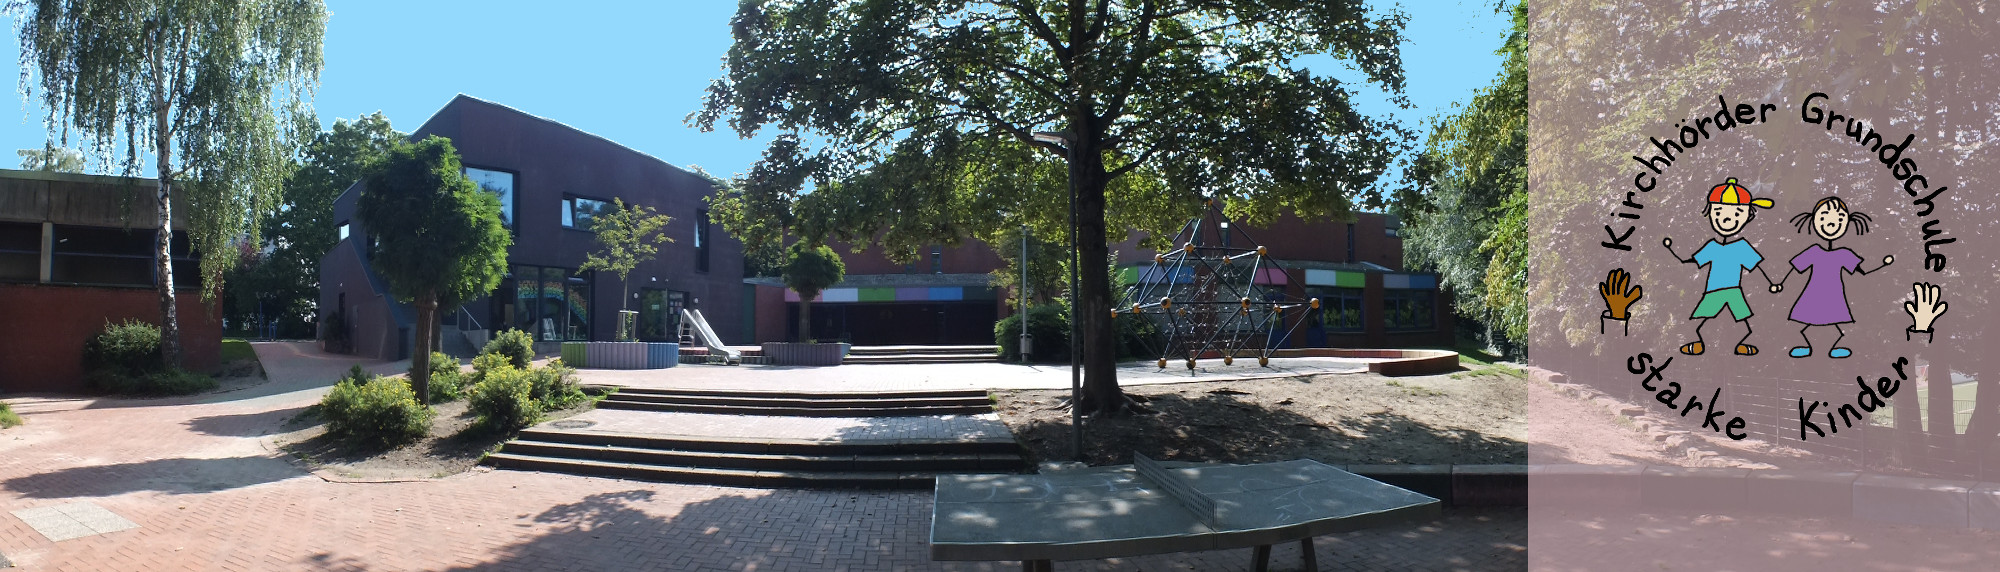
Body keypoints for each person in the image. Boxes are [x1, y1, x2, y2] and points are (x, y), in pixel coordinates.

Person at [1662, 178, 1781, 356]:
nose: (1727, 218)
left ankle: (1739, 345)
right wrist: (1673, 251)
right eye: (1718, 212)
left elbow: (1757, 267)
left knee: (1745, 324)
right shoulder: (1712, 247)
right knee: (1700, 320)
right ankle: (1700, 343)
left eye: (1737, 213)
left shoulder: (1741, 247)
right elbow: (1690, 261)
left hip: (1733, 291)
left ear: (1747, 216)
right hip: (1714, 291)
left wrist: (1771, 283)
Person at [1771, 197, 1892, 358]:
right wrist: (1781, 283)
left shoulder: (1844, 254)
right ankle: (1807, 346)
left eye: (1840, 219)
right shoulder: (1814, 251)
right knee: (1804, 320)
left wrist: (1882, 265)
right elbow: (1795, 268)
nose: (1831, 223)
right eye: (1823, 217)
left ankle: (1833, 347)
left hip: (1834, 294)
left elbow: (1862, 271)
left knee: (1835, 322)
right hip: (1813, 293)